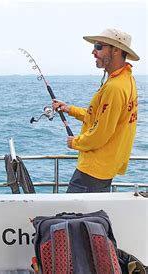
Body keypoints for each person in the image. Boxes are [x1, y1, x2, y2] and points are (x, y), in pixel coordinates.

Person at [52, 28, 139, 193]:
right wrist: (70, 109)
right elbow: (102, 118)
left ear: (116, 50)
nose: (93, 51)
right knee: (87, 216)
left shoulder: (115, 87)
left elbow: (101, 133)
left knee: (72, 215)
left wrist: (75, 142)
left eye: (99, 46)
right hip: (104, 167)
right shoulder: (126, 80)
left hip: (93, 171)